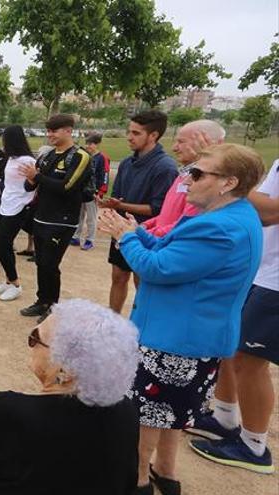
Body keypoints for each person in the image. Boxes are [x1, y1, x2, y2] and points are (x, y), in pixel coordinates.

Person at [98, 143, 264, 495]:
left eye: (199, 173)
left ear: (228, 183)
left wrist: (125, 238)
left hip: (173, 340)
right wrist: (138, 231)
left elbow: (157, 268)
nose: (186, 178)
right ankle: (166, 472)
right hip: (193, 338)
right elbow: (174, 250)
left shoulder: (218, 228)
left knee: (144, 417)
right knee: (173, 413)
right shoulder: (230, 216)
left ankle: (138, 479)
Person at [0, 299, 140, 494]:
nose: (31, 345)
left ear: (65, 371)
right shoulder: (126, 411)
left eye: (35, 337)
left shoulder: (8, 411)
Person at [186, 158, 279, 475]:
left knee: (249, 360)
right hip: (263, 273)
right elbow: (262, 214)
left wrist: (231, 180)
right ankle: (225, 417)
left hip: (276, 283)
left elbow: (271, 211)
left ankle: (254, 446)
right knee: (231, 348)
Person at [98, 111, 177, 314]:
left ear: (153, 135)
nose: (129, 137)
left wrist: (120, 206)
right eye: (129, 131)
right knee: (118, 276)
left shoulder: (165, 167)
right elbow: (118, 197)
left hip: (147, 234)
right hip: (122, 231)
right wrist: (110, 206)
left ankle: (141, 325)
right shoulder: (126, 163)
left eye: (136, 133)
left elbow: (157, 209)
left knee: (142, 282)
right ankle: (112, 320)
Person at [18, 114, 91, 319]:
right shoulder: (47, 155)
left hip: (62, 221)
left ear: (68, 131)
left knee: (51, 264)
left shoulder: (79, 157)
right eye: (48, 130)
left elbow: (67, 187)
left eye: (54, 130)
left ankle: (53, 306)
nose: (50, 134)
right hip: (41, 217)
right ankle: (42, 301)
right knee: (41, 262)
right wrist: (32, 179)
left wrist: (38, 177)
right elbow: (29, 185)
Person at [141, 120, 225, 237]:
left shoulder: (203, 183)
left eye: (181, 142)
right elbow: (168, 215)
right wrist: (144, 226)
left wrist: (141, 235)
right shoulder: (184, 174)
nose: (174, 148)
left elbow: (185, 225)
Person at [0, 125, 36, 302]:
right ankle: (8, 280)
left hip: (18, 207)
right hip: (6, 205)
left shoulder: (27, 160)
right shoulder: (12, 158)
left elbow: (32, 185)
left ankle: (16, 284)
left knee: (2, 245)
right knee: (2, 245)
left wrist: (28, 196)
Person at [71, 133, 110, 250]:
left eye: (91, 144)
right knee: (79, 215)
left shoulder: (102, 158)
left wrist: (100, 192)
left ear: (97, 144)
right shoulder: (86, 156)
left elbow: (105, 175)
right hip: (82, 191)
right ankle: (76, 236)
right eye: (87, 143)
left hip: (93, 192)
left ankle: (90, 240)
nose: (88, 146)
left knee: (91, 218)